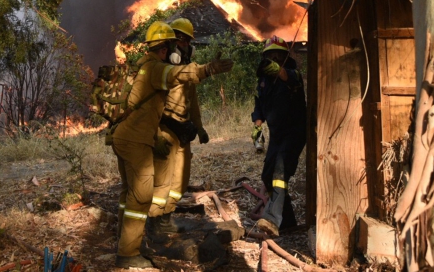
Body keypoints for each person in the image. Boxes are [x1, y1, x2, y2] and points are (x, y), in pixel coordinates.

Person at [113, 21, 233, 268]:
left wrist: (198, 127)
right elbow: (176, 75)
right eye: (174, 43)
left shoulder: (145, 66)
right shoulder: (156, 68)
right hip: (138, 138)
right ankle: (128, 252)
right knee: (142, 195)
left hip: (129, 136)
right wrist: (208, 69)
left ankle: (124, 239)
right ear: (164, 48)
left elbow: (187, 98)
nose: (179, 47)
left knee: (132, 192)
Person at [147, 17, 209, 236]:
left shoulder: (186, 70)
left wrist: (199, 128)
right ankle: (154, 223)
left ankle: (166, 218)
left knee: (180, 181)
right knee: (162, 182)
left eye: (187, 41)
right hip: (166, 129)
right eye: (181, 40)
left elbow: (193, 103)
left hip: (183, 131)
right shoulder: (162, 70)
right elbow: (149, 107)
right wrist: (156, 135)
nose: (185, 45)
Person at [251, 36, 307, 237]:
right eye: (270, 55)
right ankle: (288, 223)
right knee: (268, 176)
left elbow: (289, 77)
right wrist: (257, 126)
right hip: (276, 134)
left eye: (278, 55)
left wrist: (279, 71)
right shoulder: (264, 81)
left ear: (285, 57)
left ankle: (272, 220)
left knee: (280, 174)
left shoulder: (293, 75)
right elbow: (259, 105)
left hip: (294, 132)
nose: (274, 58)